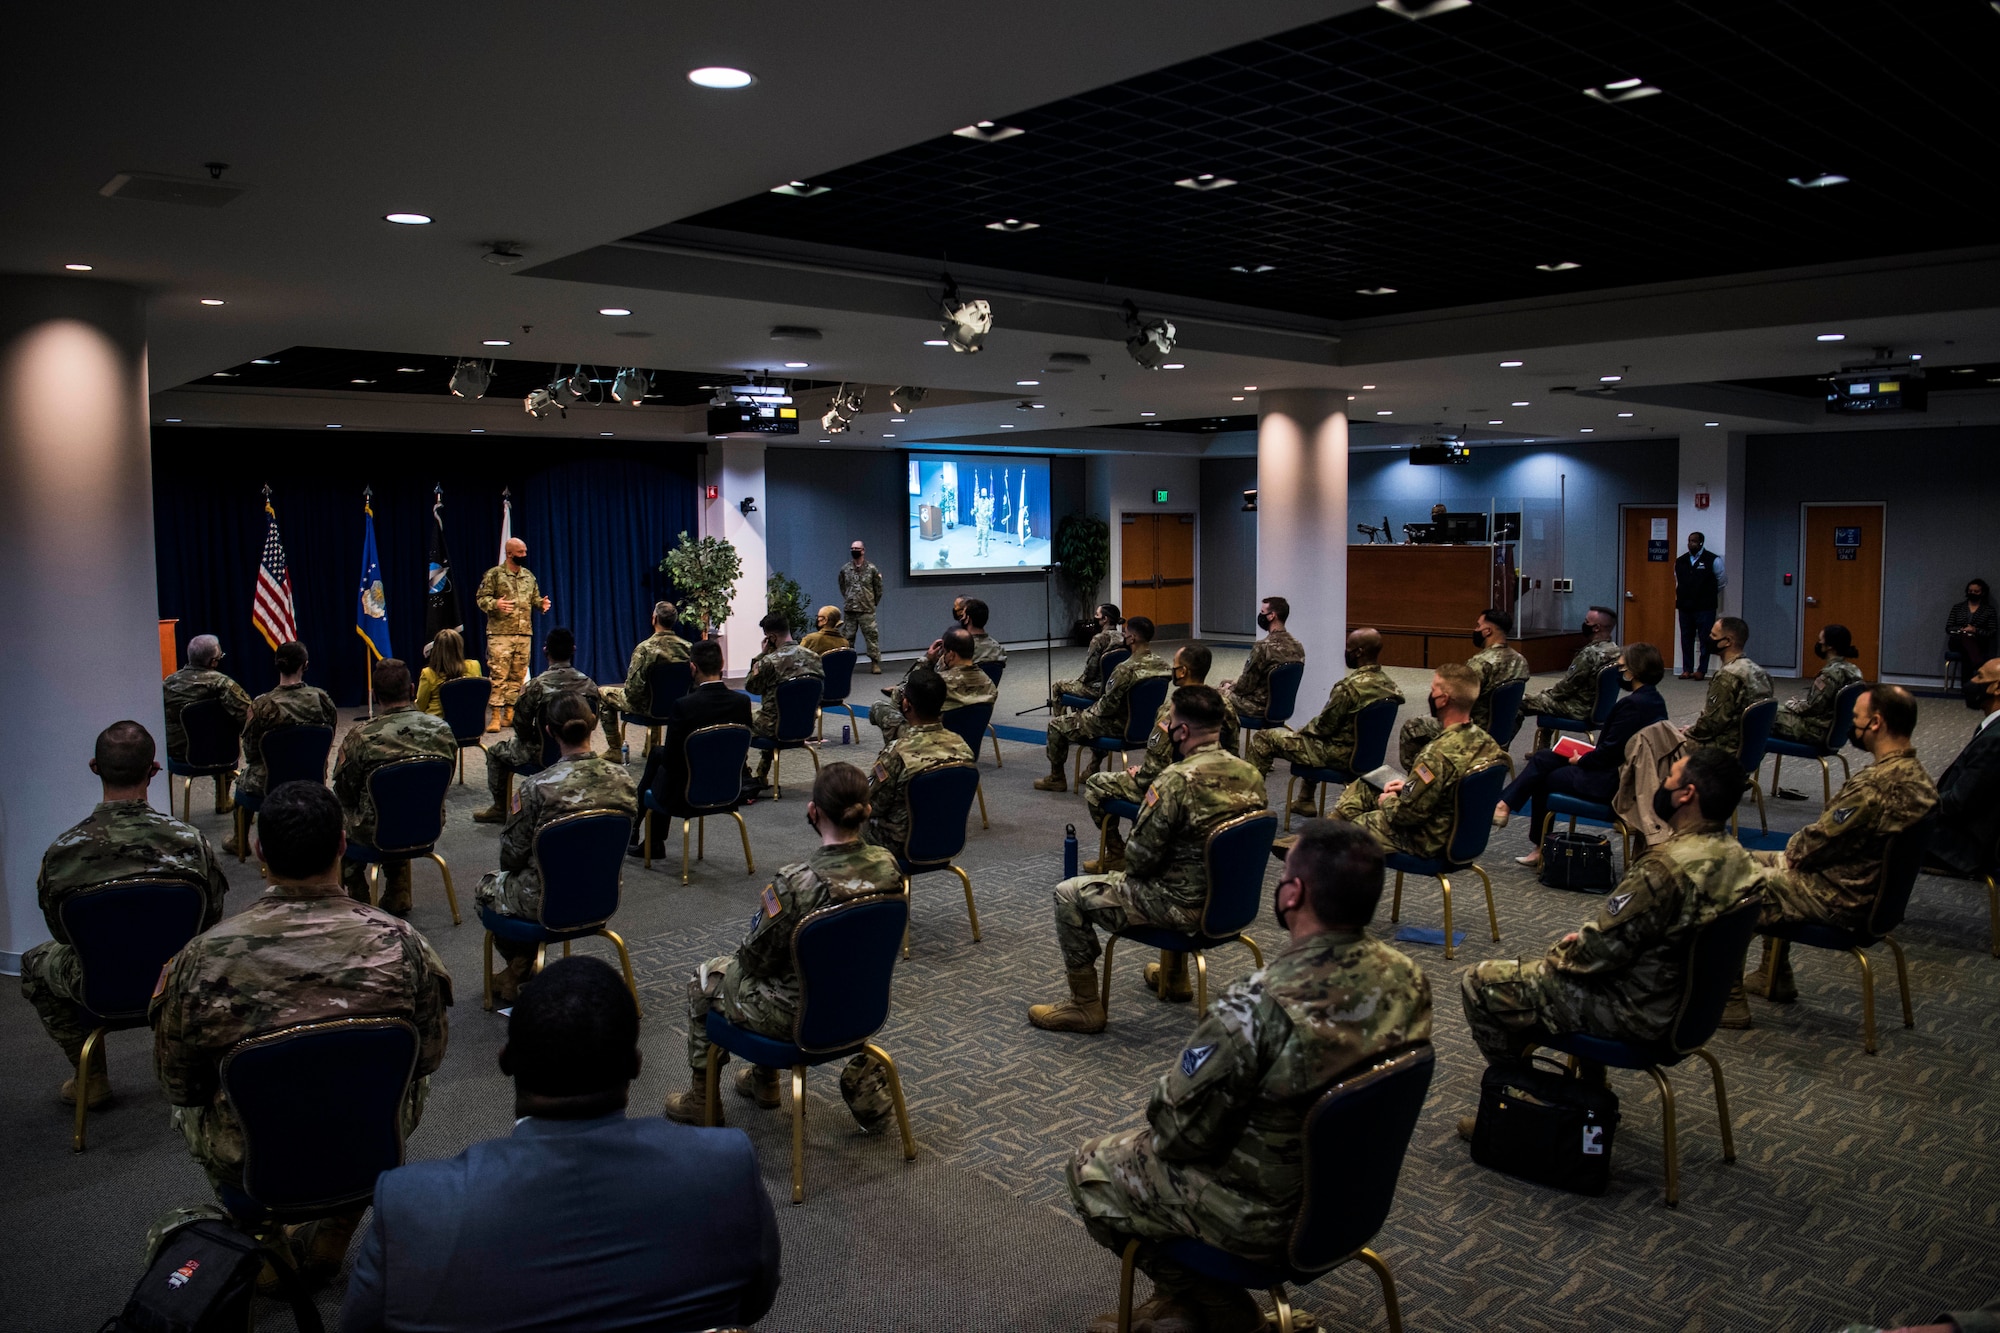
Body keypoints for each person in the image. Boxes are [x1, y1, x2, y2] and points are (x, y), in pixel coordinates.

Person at [1067, 820, 1431, 1333]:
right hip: (1348, 1202)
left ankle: (1227, 1314)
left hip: (1262, 1221)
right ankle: (1184, 1305)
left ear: (1293, 894)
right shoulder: (1408, 978)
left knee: (1090, 1167)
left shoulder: (1258, 1004)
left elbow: (1176, 1131)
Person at [342, 956, 781, 1333]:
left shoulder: (411, 1210)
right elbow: (753, 1303)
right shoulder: (727, 1169)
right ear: (635, 1066)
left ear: (506, 1063)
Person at [151, 780, 451, 1281]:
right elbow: (429, 1058)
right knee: (411, 1079)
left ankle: (267, 1242)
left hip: (253, 1156)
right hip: (369, 1141)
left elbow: (181, 1084)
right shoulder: (405, 945)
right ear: (341, 844)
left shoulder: (199, 961)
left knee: (189, 1108)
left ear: (258, 850)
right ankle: (341, 1216)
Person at [1458, 748, 1762, 1137]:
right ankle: (1586, 1088)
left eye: (1670, 777)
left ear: (1686, 795)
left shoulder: (1664, 868)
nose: (1662, 783)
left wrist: (1564, 952)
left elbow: (1591, 955)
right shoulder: (1739, 859)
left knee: (1482, 982)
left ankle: (1526, 1107)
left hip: (1636, 1014)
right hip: (1685, 1013)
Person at [665, 762, 906, 1126]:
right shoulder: (890, 867)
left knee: (706, 979)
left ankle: (703, 1101)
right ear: (866, 810)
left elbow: (754, 960)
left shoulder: (796, 884)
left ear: (814, 811)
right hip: (861, 1007)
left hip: (796, 1018)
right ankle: (764, 1082)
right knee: (785, 967)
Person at [1029, 685, 1267, 1033]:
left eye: (1169, 722)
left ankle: (1085, 1006)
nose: (1166, 728)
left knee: (1068, 894)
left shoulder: (1173, 781)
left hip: (1181, 910)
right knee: (1179, 871)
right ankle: (1174, 976)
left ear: (1181, 731)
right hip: (1231, 905)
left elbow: (1138, 860)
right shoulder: (1252, 775)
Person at [18, 721, 228, 1109]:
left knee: (34, 963)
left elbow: (63, 934)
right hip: (175, 982)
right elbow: (210, 919)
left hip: (99, 985)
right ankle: (190, 1068)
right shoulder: (191, 843)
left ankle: (92, 1076)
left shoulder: (63, 852)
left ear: (94, 767)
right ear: (153, 770)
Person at [1729, 684, 1937, 1025]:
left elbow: (1821, 839)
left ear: (1876, 723)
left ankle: (1729, 1000)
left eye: (1855, 719)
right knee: (1743, 859)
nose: (1850, 727)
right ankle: (1773, 975)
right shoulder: (1921, 780)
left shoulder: (1874, 786)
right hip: (1871, 892)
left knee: (1731, 880)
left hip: (1841, 896)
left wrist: (1794, 854)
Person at [476, 692, 639, 1004]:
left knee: (487, 887)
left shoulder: (535, 787)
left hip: (544, 899)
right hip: (601, 894)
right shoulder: (623, 779)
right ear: (593, 727)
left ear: (549, 732)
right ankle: (521, 969)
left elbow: (510, 856)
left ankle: (520, 968)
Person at [1500, 643, 1671, 868]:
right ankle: (1505, 805)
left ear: (1632, 672)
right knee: (1544, 758)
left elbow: (1608, 754)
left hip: (1611, 782)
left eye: (1621, 667)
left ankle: (1537, 843)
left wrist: (1581, 759)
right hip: (1622, 770)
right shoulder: (1655, 701)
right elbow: (1616, 749)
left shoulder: (1632, 706)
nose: (1619, 669)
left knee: (1543, 778)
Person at [1083, 642, 1240, 875]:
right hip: (1220, 787)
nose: (1172, 671)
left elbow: (1154, 772)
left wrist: (1138, 773)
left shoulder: (1173, 710)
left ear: (1183, 672)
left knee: (1095, 785)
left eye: (1175, 667)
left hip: (1176, 791)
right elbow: (1233, 752)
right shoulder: (1225, 705)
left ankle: (1116, 853)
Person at [1335, 663, 1507, 862]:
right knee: (1366, 786)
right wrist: (1409, 787)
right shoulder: (1489, 744)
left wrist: (1388, 801)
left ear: (1443, 700)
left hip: (1429, 840)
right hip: (1461, 835)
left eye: (1433, 689)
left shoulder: (1435, 755)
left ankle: (1320, 854)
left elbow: (1406, 815)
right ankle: (1317, 837)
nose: (1430, 694)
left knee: (1353, 828)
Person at [332, 658, 457, 913]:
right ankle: (398, 887)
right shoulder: (442, 730)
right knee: (399, 802)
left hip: (375, 830)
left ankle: (358, 895)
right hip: (427, 823)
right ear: (412, 690)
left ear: (376, 696)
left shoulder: (361, 737)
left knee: (338, 814)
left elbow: (344, 790)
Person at [1247, 628, 1404, 818]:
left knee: (1265, 738)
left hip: (1337, 754)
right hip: (1365, 756)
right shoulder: (1390, 686)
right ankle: (1305, 799)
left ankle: (1250, 805)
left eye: (1349, 647)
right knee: (1310, 741)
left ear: (1359, 652)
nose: (1346, 651)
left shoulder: (1349, 688)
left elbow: (1323, 727)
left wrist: (1302, 731)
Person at [633, 638, 753, 857]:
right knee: (658, 755)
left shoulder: (684, 706)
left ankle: (645, 833)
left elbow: (672, 761)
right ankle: (647, 836)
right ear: (722, 663)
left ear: (692, 667)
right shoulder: (741, 703)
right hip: (729, 788)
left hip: (687, 795)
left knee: (660, 761)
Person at [476, 627, 602, 823]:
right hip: (579, 750)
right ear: (574, 650)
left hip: (542, 753)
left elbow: (521, 726)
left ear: (545, 651)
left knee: (495, 752)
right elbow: (592, 723)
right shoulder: (590, 685)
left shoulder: (536, 686)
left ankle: (500, 808)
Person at [1037, 616, 1173, 793]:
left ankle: (1056, 778)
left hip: (1117, 727)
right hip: (1146, 729)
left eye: (1125, 633)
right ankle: (1092, 768)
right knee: (1090, 721)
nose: (1124, 636)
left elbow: (1106, 708)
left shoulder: (1125, 669)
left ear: (1132, 638)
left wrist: (1085, 712)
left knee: (1056, 725)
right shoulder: (1163, 665)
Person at [234, 639, 338, 850]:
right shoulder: (322, 699)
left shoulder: (261, 705)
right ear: (305, 665)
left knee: (241, 786)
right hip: (312, 776)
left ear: (277, 664)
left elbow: (251, 752)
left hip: (268, 784)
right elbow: (330, 735)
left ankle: (240, 842)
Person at [1400, 607, 1528, 769]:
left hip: (1474, 731)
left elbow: (1456, 699)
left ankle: (1420, 782)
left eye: (1478, 626)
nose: (1475, 630)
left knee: (1412, 727)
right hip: (1501, 731)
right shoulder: (1520, 660)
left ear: (1487, 631)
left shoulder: (1481, 663)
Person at [863, 666, 974, 852]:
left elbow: (872, 805)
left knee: (842, 825)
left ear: (906, 705)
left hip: (900, 844)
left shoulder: (896, 752)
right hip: (948, 840)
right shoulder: (962, 746)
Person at [1927, 656, 2000, 878]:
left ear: (1997, 688)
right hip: (1968, 829)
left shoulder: (1995, 739)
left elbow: (1958, 803)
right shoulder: (1992, 728)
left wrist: (1918, 800)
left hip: (1961, 846)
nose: (1972, 681)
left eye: (1980, 676)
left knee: (1875, 829)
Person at [161, 633, 251, 813]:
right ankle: (223, 799)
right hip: (220, 754)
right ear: (213, 662)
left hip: (178, 754)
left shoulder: (167, 683)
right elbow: (248, 714)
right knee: (222, 732)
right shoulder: (222, 684)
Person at [744, 611, 825, 795]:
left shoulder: (769, 662)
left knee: (738, 723)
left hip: (773, 727)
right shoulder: (814, 657)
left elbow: (751, 686)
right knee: (772, 712)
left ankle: (744, 777)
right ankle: (761, 774)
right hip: (804, 726)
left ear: (771, 637)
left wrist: (761, 655)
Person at [476, 535, 552, 731]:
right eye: (520, 552)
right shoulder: (494, 575)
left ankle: (510, 712)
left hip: (524, 633)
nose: (524, 555)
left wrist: (541, 605)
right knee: (499, 675)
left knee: (517, 676)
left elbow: (534, 599)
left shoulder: (529, 576)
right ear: (509, 553)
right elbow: (481, 599)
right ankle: (495, 715)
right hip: (500, 634)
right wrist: (496, 604)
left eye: (525, 552)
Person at [598, 600, 692, 756]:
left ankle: (615, 749)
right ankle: (651, 746)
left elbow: (633, 690)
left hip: (647, 707)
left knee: (602, 693)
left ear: (654, 619)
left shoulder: (645, 649)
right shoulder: (688, 647)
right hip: (678, 705)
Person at [871, 626, 994, 743]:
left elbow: (908, 690)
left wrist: (927, 660)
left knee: (880, 707)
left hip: (928, 743)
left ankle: (897, 755)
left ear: (951, 655)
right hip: (965, 746)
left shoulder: (938, 683)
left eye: (944, 652)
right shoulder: (988, 683)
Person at [1523, 605, 1622, 749]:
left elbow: (1564, 689)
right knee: (1546, 700)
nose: (1584, 624)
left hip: (1578, 709)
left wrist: (1546, 693)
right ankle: (1542, 750)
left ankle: (1501, 751)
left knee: (1521, 703)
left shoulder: (1589, 654)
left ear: (1596, 628)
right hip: (1598, 710)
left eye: (1586, 621)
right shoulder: (1616, 651)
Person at [1682, 615, 1771, 753]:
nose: (1708, 638)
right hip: (1749, 749)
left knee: (1661, 742)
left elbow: (1710, 725)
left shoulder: (1727, 676)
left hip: (1723, 751)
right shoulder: (1760, 673)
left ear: (1727, 641)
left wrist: (1688, 732)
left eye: (1713, 635)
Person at [1771, 623, 1864, 754]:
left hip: (1816, 731)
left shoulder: (1829, 674)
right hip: (1833, 729)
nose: (1818, 644)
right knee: (1772, 710)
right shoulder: (1854, 670)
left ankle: (1744, 768)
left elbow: (1813, 707)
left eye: (1820, 641)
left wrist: (1793, 705)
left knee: (1764, 715)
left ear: (1829, 646)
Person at [1219, 595, 1304, 720]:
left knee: (1211, 695)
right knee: (1225, 682)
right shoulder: (1297, 646)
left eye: (1262, 612)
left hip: (1257, 707)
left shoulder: (1263, 647)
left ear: (1271, 616)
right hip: (1280, 706)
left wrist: (1228, 688)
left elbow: (1245, 687)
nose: (1260, 615)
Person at [1052, 602, 1124, 712]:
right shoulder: (1124, 637)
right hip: (1116, 686)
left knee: (1058, 686)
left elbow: (1091, 671)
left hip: (1096, 689)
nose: (1094, 617)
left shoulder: (1098, 639)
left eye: (1097, 615)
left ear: (1105, 619)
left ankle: (1063, 723)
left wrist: (1080, 681)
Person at [1674, 531, 1725, 680]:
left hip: (1705, 607)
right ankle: (1686, 669)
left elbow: (1721, 581)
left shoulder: (1713, 560)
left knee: (1705, 639)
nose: (1691, 544)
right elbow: (1677, 581)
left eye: (1694, 541)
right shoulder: (1680, 561)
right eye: (1689, 541)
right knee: (1686, 638)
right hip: (1685, 606)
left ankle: (1701, 670)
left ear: (1701, 543)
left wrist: (1708, 594)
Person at [1947, 578, 1997, 707]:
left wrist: (1975, 630)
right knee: (1966, 638)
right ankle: (1978, 667)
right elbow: (1949, 627)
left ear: (1982, 592)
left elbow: (1992, 632)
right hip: (1957, 640)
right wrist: (1962, 630)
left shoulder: (1989, 610)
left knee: (1967, 653)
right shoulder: (1958, 608)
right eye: (1970, 591)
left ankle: (1967, 686)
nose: (1972, 593)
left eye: (1976, 591)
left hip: (1979, 642)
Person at [838, 540, 886, 673]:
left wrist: (872, 602)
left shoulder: (871, 569)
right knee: (847, 638)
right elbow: (842, 586)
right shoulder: (845, 569)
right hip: (850, 610)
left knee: (872, 637)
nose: (854, 550)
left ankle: (875, 663)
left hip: (867, 609)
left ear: (863, 550)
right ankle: (846, 664)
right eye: (852, 548)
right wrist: (849, 598)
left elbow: (878, 589)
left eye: (857, 548)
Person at [413, 627, 481, 717]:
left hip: (437, 726)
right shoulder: (474, 665)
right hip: (469, 723)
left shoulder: (428, 673)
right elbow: (478, 698)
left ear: (436, 649)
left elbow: (420, 706)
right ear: (459, 647)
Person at [962, 596, 1006, 665]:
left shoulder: (961, 648)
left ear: (967, 619)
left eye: (963, 615)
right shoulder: (998, 648)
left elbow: (944, 673)